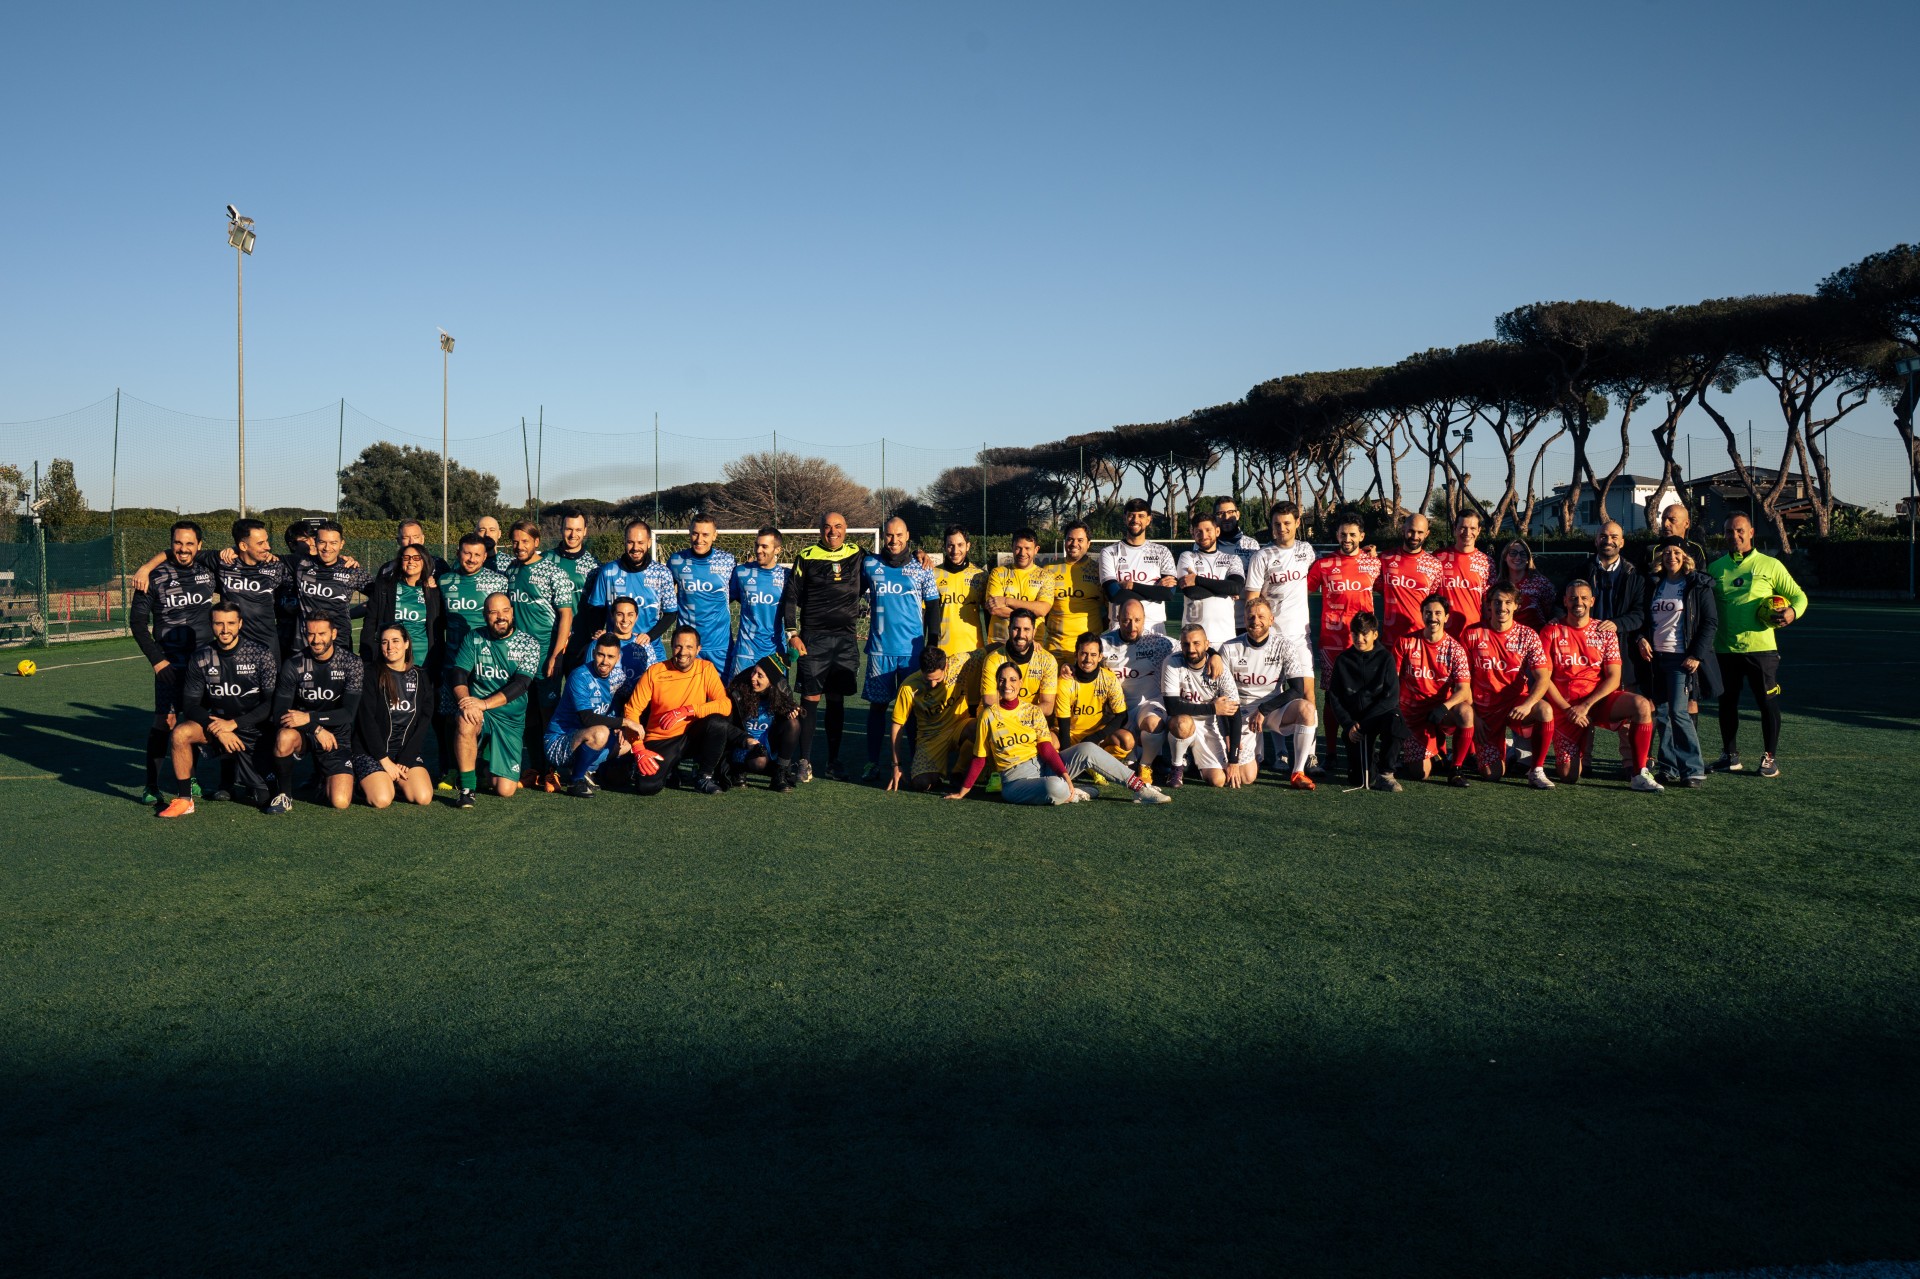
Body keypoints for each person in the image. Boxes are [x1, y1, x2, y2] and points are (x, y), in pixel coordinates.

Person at [1707, 513, 1807, 778]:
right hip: (1725, 648)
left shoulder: (1770, 565)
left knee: (1766, 702)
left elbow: (1798, 596)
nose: (1734, 536)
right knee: (1727, 703)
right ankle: (1730, 756)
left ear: (1751, 532)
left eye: (1739, 530)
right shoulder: (1715, 568)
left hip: (1761, 649)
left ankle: (1769, 757)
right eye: (1729, 531)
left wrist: (1791, 613)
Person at [156, 602, 278, 817]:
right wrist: (221, 729)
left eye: (231, 623)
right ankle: (185, 799)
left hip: (253, 729)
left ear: (240, 624)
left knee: (263, 798)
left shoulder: (260, 654)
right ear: (211, 625)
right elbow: (191, 705)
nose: (225, 629)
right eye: (219, 623)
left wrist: (235, 725)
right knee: (180, 733)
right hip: (218, 726)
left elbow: (272, 704)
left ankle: (244, 778)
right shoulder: (201, 657)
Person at [1541, 581, 1663, 792]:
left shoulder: (1604, 631)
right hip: (1566, 708)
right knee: (1569, 776)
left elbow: (1614, 678)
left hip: (1597, 702)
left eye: (1583, 598)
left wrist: (1585, 706)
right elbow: (1544, 678)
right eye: (1573, 598)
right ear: (1565, 601)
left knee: (1642, 705)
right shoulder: (1551, 631)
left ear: (1592, 601)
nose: (1578, 602)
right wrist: (1569, 709)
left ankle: (1639, 772)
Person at [131, 520, 218, 805]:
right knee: (165, 721)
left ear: (199, 546)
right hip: (169, 664)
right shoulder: (152, 577)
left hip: (203, 665)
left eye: (190, 543)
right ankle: (151, 785)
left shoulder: (209, 570)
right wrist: (157, 661)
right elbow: (138, 624)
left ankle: (191, 777)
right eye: (178, 543)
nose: (183, 549)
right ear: (171, 544)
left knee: (196, 722)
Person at [779, 512, 866, 781]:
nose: (833, 531)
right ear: (820, 530)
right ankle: (804, 760)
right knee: (810, 700)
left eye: (838, 526)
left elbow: (888, 560)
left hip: (845, 639)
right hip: (813, 638)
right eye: (827, 527)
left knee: (837, 700)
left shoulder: (858, 553)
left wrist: (919, 553)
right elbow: (791, 596)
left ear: (846, 529)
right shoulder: (806, 555)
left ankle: (833, 760)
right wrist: (792, 633)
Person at [861, 517, 942, 781]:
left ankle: (917, 763)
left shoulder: (921, 566)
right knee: (877, 709)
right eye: (888, 535)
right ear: (883, 536)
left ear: (907, 536)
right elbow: (850, 592)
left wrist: (932, 644)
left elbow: (933, 606)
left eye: (898, 535)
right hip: (879, 652)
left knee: (915, 712)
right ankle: (872, 762)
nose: (893, 541)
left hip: (912, 653)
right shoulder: (870, 564)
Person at [1639, 538, 1722, 787]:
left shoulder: (1697, 585)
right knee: (1662, 714)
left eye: (1676, 552)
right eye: (1666, 552)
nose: (1671, 556)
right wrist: (1641, 638)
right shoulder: (1654, 584)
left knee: (1678, 712)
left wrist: (1696, 654)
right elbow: (1643, 618)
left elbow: (1710, 622)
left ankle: (1693, 769)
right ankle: (1669, 767)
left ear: (1685, 557)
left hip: (1681, 658)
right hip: (1656, 657)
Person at [447, 592, 544, 806]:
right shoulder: (474, 637)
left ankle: (482, 762)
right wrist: (467, 703)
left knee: (504, 789)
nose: (500, 617)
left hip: (510, 718)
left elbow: (521, 684)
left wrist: (484, 703)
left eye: (505, 611)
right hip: (479, 712)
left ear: (512, 612)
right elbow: (459, 673)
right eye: (493, 612)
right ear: (485, 615)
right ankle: (467, 787)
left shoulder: (528, 643)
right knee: (465, 719)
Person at [945, 662, 1087, 806]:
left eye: (1013, 680)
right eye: (1002, 680)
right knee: (1056, 785)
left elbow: (1046, 748)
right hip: (1013, 782)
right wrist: (963, 791)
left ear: (1021, 682)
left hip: (1040, 768)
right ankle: (1075, 793)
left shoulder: (1032, 710)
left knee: (1087, 749)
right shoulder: (987, 716)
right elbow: (979, 758)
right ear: (997, 684)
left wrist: (1066, 778)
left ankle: (1070, 790)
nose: (1007, 685)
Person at [434, 534, 511, 790]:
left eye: (477, 554)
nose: (472, 559)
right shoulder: (445, 581)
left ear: (485, 556)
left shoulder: (498, 581)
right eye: (467, 553)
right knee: (449, 718)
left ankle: (483, 766)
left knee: (486, 714)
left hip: (487, 665)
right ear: (458, 553)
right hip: (453, 663)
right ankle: (452, 769)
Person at [619, 625, 736, 796]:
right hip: (662, 739)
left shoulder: (706, 668)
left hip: (692, 736)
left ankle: (704, 776)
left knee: (718, 723)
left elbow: (725, 705)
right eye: (678, 646)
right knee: (646, 787)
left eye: (689, 647)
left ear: (698, 649)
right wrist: (638, 747)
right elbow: (632, 710)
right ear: (671, 646)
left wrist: (688, 710)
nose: (683, 652)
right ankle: (669, 769)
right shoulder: (655, 672)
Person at [1461, 581, 1555, 788]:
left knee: (1545, 710)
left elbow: (1543, 677)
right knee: (1491, 774)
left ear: (1516, 606)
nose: (1501, 607)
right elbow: (1462, 679)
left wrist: (1528, 704)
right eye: (1497, 602)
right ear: (1488, 605)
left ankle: (1536, 770)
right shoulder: (1472, 634)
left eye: (1507, 602)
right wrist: (1474, 715)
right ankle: (1504, 749)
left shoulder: (1528, 635)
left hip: (1515, 704)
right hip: (1485, 710)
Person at [1216, 597, 1318, 791]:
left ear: (1271, 620)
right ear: (1244, 620)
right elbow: (1223, 696)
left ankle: (1297, 772)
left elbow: (1297, 688)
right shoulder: (1229, 648)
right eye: (1250, 617)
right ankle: (1255, 753)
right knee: (1246, 777)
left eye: (1261, 616)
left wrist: (1264, 709)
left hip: (1273, 710)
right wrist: (1230, 734)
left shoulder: (1285, 646)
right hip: (1241, 712)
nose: (1256, 621)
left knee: (1308, 709)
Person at [1305, 512, 1380, 774]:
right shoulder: (1324, 565)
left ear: (1362, 536)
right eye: (1342, 534)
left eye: (1352, 534)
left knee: (1366, 696)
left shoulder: (1374, 564)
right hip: (1332, 642)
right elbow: (1299, 592)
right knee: (1332, 696)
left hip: (1365, 642)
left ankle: (1362, 749)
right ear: (1336, 535)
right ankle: (1332, 753)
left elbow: (1390, 587)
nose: (1347, 539)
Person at [506, 519, 577, 790]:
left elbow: (566, 616)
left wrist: (555, 656)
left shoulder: (552, 571)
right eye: (515, 541)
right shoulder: (511, 570)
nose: (519, 546)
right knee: (528, 715)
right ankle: (535, 767)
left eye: (525, 541)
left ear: (537, 542)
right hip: (517, 657)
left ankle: (553, 770)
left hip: (545, 655)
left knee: (549, 714)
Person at [268, 616, 365, 813]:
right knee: (284, 737)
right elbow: (279, 712)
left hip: (336, 736)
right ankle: (285, 795)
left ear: (334, 634)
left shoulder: (351, 663)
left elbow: (348, 713)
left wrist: (311, 718)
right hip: (305, 731)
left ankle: (324, 777)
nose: (316, 639)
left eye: (321, 634)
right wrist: (315, 727)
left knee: (341, 802)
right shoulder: (294, 664)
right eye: (310, 634)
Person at [1394, 594, 1475, 786]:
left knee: (1466, 712)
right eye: (1428, 613)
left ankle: (1456, 768)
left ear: (1446, 617)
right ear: (1421, 615)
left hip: (1439, 712)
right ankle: (1431, 750)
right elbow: (1393, 681)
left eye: (1438, 613)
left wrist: (1443, 708)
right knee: (1419, 773)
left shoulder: (1455, 649)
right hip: (1411, 714)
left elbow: (1464, 690)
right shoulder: (1405, 642)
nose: (1433, 617)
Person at [352, 624, 434, 809]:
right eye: (384, 642)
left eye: (396, 641)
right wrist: (384, 760)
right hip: (372, 753)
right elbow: (366, 721)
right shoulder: (371, 674)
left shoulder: (421, 676)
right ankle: (361, 782)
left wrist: (406, 758)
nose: (390, 647)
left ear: (406, 644)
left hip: (403, 752)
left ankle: (391, 781)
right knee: (382, 800)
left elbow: (423, 722)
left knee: (423, 797)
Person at [546, 634, 635, 798]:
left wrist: (623, 726)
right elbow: (586, 719)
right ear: (594, 653)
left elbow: (622, 702)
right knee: (600, 732)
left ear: (618, 658)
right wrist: (624, 722)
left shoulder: (618, 678)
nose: (604, 661)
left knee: (628, 742)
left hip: (586, 738)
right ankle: (575, 781)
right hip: (559, 742)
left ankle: (584, 768)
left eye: (610, 656)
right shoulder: (580, 676)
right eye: (601, 654)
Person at [1327, 612, 1406, 792]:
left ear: (1375, 634)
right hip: (1355, 724)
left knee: (1396, 720)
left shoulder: (1386, 658)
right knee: (1360, 780)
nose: (1360, 639)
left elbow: (1391, 698)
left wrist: (1365, 723)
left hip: (1378, 716)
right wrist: (1348, 725)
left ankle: (1386, 773)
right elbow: (1335, 697)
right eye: (1355, 634)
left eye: (1365, 634)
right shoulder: (1343, 660)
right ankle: (1370, 762)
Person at [1100, 594, 1175, 781]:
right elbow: (1083, 660)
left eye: (1137, 620)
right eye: (1126, 620)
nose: (1132, 627)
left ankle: (1147, 764)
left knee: (1153, 723)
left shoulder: (1159, 642)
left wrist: (1213, 654)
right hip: (1116, 710)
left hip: (1148, 705)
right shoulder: (1104, 643)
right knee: (1124, 750)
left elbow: (1191, 649)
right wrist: (1069, 668)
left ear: (1144, 620)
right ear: (1117, 619)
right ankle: (1128, 758)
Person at [579, 518, 677, 657]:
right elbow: (595, 608)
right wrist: (598, 630)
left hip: (650, 648)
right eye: (630, 542)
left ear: (649, 543)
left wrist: (649, 636)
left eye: (640, 542)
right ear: (624, 542)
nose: (635, 547)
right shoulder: (608, 571)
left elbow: (671, 613)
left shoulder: (662, 573)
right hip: (615, 651)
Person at [1162, 623, 1243, 789]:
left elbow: (1234, 713)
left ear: (1207, 644)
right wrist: (1213, 708)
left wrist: (1233, 761)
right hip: (1181, 720)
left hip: (1208, 726)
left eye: (1196, 643)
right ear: (1181, 644)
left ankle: (1191, 759)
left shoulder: (1221, 670)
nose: (1191, 649)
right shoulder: (1172, 663)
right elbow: (1172, 707)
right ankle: (1176, 767)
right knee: (1183, 724)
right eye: (1186, 644)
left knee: (1218, 780)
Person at [1569, 521, 1647, 691]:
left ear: (1622, 542)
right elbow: (1561, 603)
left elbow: (1639, 613)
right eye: (1603, 536)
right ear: (1596, 540)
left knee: (1623, 702)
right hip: (1583, 646)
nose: (1608, 540)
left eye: (1614, 537)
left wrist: (1617, 624)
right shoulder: (1579, 570)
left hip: (1621, 645)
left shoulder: (1635, 575)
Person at [889, 646, 976, 793]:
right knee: (921, 784)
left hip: (960, 726)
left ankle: (958, 771)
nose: (932, 684)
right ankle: (937, 773)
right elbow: (897, 725)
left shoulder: (960, 662)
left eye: (937, 679)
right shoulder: (909, 686)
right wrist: (896, 765)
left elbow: (989, 651)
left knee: (980, 727)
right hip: (930, 739)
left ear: (946, 666)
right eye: (927, 679)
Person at [358, 543, 442, 677]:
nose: (410, 561)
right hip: (392, 658)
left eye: (416, 558)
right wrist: (367, 656)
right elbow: (370, 623)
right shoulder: (384, 588)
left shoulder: (433, 592)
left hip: (423, 660)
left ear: (424, 561)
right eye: (406, 557)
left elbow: (439, 627)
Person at [1098, 498, 1179, 634]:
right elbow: (1114, 594)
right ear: (1125, 518)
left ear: (1148, 520)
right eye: (1131, 515)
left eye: (1141, 516)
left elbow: (1168, 593)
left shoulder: (1162, 551)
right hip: (1120, 625)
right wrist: (1155, 591)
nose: (1135, 520)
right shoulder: (1109, 552)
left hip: (1153, 625)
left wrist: (1132, 586)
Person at [1244, 500, 1317, 649]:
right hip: (1271, 634)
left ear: (1297, 523)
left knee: (1305, 674)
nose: (1281, 528)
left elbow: (1329, 565)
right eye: (1277, 524)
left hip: (1301, 633)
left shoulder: (1306, 550)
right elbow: (1252, 600)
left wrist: (1365, 554)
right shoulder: (1261, 556)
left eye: (1287, 523)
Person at [291, 521, 375, 649]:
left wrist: (350, 613)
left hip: (340, 645)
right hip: (305, 646)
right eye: (322, 542)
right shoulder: (300, 565)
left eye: (333, 543)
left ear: (342, 544)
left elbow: (381, 596)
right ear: (315, 541)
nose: (327, 548)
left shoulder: (351, 570)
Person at [725, 654, 802, 791]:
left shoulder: (781, 690)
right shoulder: (739, 686)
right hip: (742, 742)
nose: (753, 677)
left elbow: (787, 723)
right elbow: (728, 725)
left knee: (793, 724)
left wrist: (790, 713)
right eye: (754, 671)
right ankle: (737, 770)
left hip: (767, 744)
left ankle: (780, 775)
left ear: (771, 682)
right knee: (759, 762)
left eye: (760, 676)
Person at [667, 514, 737, 663]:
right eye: (695, 533)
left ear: (715, 535)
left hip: (720, 644)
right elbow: (664, 595)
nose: (699, 540)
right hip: (687, 645)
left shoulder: (728, 561)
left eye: (705, 534)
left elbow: (734, 594)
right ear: (689, 533)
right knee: (688, 687)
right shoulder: (676, 561)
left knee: (722, 687)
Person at [1054, 633, 1128, 761]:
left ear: (1100, 657)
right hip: (1068, 735)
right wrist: (1067, 758)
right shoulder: (1065, 681)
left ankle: (1094, 761)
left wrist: (1095, 737)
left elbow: (1122, 716)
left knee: (1126, 740)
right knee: (1048, 743)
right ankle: (1081, 761)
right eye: (1084, 653)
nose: (1088, 659)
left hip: (1096, 736)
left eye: (1093, 655)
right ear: (1076, 654)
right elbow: (1064, 723)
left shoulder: (1109, 679)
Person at [1177, 512, 1247, 649]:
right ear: (1193, 534)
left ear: (1217, 531)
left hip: (1225, 637)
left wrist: (1197, 579)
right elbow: (1192, 592)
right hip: (1193, 638)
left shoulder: (1232, 559)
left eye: (1208, 530)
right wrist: (1225, 589)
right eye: (1199, 532)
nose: (1204, 535)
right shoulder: (1187, 557)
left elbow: (1236, 588)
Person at [727, 527, 789, 679]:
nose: (758, 550)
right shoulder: (741, 573)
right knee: (739, 697)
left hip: (775, 648)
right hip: (746, 649)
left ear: (778, 550)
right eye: (757, 545)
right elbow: (724, 600)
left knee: (776, 699)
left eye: (764, 546)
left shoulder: (786, 576)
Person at [975, 609, 1060, 717]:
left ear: (1034, 632)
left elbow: (1047, 707)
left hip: (1029, 719)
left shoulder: (1047, 660)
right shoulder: (993, 659)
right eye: (1016, 628)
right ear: (1009, 629)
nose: (1021, 634)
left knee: (1052, 735)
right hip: (998, 719)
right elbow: (990, 703)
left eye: (1026, 629)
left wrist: (1019, 717)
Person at [1046, 520, 1107, 664]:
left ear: (1089, 544)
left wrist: (1094, 633)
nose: (1074, 544)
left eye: (1080, 540)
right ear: (1065, 541)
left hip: (1088, 651)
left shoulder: (1099, 571)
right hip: (1055, 649)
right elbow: (1041, 610)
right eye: (1070, 539)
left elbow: (1111, 613)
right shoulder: (1049, 570)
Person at [547, 507, 600, 667]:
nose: (573, 534)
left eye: (578, 529)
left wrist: (591, 640)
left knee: (576, 690)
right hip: (549, 640)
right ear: (561, 529)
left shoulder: (594, 565)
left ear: (585, 531)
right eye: (569, 529)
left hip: (580, 642)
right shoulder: (545, 560)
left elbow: (597, 609)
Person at [1377, 512, 1442, 644]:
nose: (1415, 536)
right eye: (1411, 531)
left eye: (1420, 532)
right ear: (1403, 530)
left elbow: (1433, 601)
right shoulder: (1385, 558)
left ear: (1427, 534)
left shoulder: (1435, 565)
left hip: (1420, 636)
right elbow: (1376, 586)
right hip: (1390, 636)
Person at [986, 527, 1056, 645]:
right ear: (1012, 547)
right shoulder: (998, 573)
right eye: (1018, 548)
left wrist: (1007, 601)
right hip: (1000, 643)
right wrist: (1031, 612)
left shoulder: (1045, 576)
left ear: (1036, 549)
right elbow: (995, 609)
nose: (1022, 553)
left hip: (1032, 643)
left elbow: (1042, 609)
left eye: (1027, 548)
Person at [931, 524, 989, 661]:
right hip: (942, 653)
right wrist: (930, 647)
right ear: (944, 546)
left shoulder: (980, 576)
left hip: (974, 652)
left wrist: (992, 647)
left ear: (968, 546)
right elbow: (926, 615)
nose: (955, 550)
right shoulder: (933, 574)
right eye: (951, 545)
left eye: (960, 545)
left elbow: (989, 616)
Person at [1436, 510, 1491, 639]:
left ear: (1479, 530)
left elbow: (1489, 603)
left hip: (1473, 634)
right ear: (1455, 529)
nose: (1467, 533)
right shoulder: (1437, 558)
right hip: (1441, 634)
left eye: (1472, 528)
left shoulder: (1487, 563)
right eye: (1463, 528)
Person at [1212, 496, 1262, 633]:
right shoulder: (1207, 545)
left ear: (1238, 514)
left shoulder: (1251, 545)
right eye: (1220, 513)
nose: (1226, 517)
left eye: (1230, 512)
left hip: (1245, 621)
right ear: (1215, 517)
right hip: (1216, 619)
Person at [1499, 539, 1559, 631]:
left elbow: (1553, 610)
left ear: (1528, 559)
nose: (1518, 557)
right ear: (1505, 557)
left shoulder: (1540, 583)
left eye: (1523, 554)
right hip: (1505, 638)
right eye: (1513, 553)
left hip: (1535, 638)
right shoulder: (1497, 585)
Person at [372, 518, 449, 581]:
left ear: (422, 539)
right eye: (406, 538)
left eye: (416, 537)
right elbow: (377, 594)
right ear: (398, 541)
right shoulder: (387, 569)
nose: (411, 542)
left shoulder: (439, 565)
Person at [603, 597, 655, 686]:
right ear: (612, 616)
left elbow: (653, 677)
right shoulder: (601, 643)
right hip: (608, 699)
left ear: (636, 617)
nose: (625, 619)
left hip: (638, 698)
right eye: (620, 614)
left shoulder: (644, 644)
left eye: (630, 614)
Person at [1657, 503, 1710, 580]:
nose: (1665, 524)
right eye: (1663, 519)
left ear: (1686, 523)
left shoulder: (1696, 549)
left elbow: (1702, 578)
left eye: (1672, 520)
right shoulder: (1652, 549)